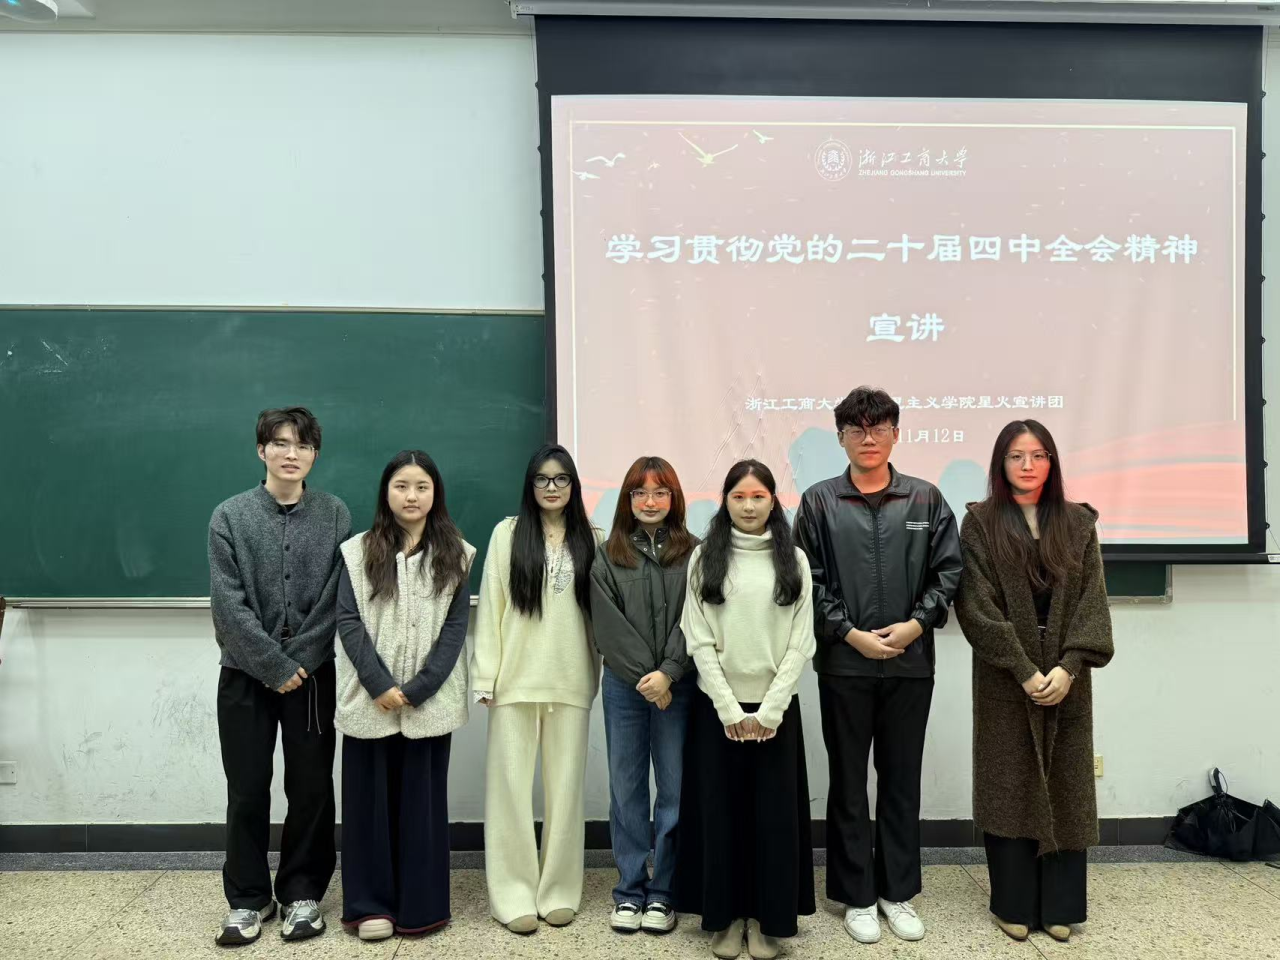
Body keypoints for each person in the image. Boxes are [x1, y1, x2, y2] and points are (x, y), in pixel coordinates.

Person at [794, 386, 961, 945]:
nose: (869, 438)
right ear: (841, 437)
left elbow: (948, 572)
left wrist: (917, 624)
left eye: (879, 427)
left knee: (901, 780)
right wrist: (849, 634)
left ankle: (896, 892)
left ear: (896, 433)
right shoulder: (818, 502)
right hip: (845, 664)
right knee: (847, 781)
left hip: (911, 664)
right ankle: (856, 896)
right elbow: (808, 580)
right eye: (857, 429)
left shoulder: (925, 499)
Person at [954, 421, 1114, 943]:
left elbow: (1092, 601)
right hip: (1006, 674)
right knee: (1009, 783)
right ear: (1000, 464)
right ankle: (1013, 904)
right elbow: (975, 605)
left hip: (1067, 674)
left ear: (1052, 462)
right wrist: (1023, 669)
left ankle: (1061, 906)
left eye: (1039, 454)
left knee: (1066, 783)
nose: (1028, 465)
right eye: (1017, 456)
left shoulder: (1079, 522)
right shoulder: (980, 524)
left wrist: (1069, 666)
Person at [208, 406, 351, 946]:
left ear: (315, 454)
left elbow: (337, 596)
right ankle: (248, 899)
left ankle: (301, 893)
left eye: (303, 445)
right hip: (243, 674)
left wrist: (299, 661)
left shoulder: (334, 513)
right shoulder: (229, 516)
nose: (292, 454)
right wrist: (272, 664)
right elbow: (228, 605)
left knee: (311, 787)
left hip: (312, 676)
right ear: (261, 450)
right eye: (281, 443)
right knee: (246, 788)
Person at [675, 459, 816, 960]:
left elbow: (801, 641)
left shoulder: (793, 559)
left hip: (777, 712)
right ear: (726, 501)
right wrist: (730, 709)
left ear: (773, 501)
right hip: (718, 712)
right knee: (722, 818)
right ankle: (727, 919)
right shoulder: (705, 557)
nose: (749, 506)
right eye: (739, 497)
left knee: (772, 822)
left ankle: (766, 922)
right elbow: (698, 637)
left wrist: (770, 710)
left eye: (758, 497)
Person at [334, 450, 475, 941]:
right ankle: (370, 905)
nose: (411, 496)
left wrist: (418, 689)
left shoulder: (457, 554)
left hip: (428, 701)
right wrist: (379, 684)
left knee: (421, 805)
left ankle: (421, 906)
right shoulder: (357, 552)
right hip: (368, 697)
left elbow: (455, 628)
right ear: (386, 492)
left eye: (421, 486)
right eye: (401, 486)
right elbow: (348, 621)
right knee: (367, 805)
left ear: (435, 493)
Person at [471, 444, 604, 934]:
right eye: (542, 479)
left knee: (566, 793)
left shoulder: (595, 538)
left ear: (573, 485)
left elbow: (600, 620)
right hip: (515, 681)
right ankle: (512, 894)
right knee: (509, 792)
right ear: (530, 485)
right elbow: (492, 607)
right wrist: (485, 676)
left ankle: (559, 890)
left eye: (561, 478)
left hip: (571, 680)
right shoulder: (507, 534)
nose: (552, 487)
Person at [589, 456, 697, 935]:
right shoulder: (607, 555)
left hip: (679, 687)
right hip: (625, 688)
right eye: (640, 493)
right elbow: (607, 626)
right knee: (626, 790)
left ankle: (664, 893)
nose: (650, 502)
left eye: (659, 492)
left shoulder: (694, 553)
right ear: (627, 499)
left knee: (674, 792)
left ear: (673, 498)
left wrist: (669, 673)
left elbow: (696, 618)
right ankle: (630, 890)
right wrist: (648, 680)